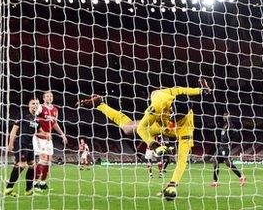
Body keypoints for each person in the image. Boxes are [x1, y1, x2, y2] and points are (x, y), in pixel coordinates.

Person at [77, 78, 212, 200]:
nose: (172, 117)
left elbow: (182, 160)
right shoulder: (160, 101)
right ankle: (100, 104)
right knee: (128, 129)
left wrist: (173, 184)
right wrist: (154, 145)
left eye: (176, 117)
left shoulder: (187, 127)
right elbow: (142, 128)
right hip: (158, 119)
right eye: (172, 113)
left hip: (174, 130)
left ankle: (202, 91)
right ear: (171, 105)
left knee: (179, 154)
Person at [5, 99, 40, 197]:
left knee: (32, 165)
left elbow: (40, 132)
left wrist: (47, 134)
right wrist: (10, 144)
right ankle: (8, 188)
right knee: (22, 164)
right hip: (20, 143)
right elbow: (14, 130)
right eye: (33, 103)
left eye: (37, 104)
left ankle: (28, 190)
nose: (35, 105)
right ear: (29, 105)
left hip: (30, 144)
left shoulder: (37, 119)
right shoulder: (23, 115)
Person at [33, 90, 68, 191]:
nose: (50, 98)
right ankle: (35, 183)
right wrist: (41, 131)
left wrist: (62, 134)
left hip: (49, 138)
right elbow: (33, 118)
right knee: (43, 159)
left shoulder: (55, 110)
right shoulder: (40, 107)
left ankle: (43, 183)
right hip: (40, 137)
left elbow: (54, 124)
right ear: (43, 98)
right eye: (47, 96)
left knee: (48, 161)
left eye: (51, 96)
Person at [209, 113, 246, 186]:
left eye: (225, 116)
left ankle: (241, 177)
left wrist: (230, 141)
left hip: (225, 147)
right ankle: (215, 181)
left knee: (227, 163)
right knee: (215, 161)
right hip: (221, 146)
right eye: (224, 116)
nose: (223, 117)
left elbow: (236, 134)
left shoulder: (230, 126)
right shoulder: (225, 125)